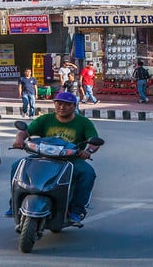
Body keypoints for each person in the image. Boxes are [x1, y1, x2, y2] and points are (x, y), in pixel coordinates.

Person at [10, 92, 102, 224]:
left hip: (70, 160)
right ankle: (13, 203)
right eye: (59, 103)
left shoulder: (83, 122)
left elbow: (93, 142)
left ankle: (77, 210)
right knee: (17, 166)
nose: (62, 107)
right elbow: (25, 131)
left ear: (74, 106)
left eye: (66, 104)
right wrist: (19, 140)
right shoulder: (45, 119)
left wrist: (88, 151)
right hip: (43, 156)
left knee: (87, 173)